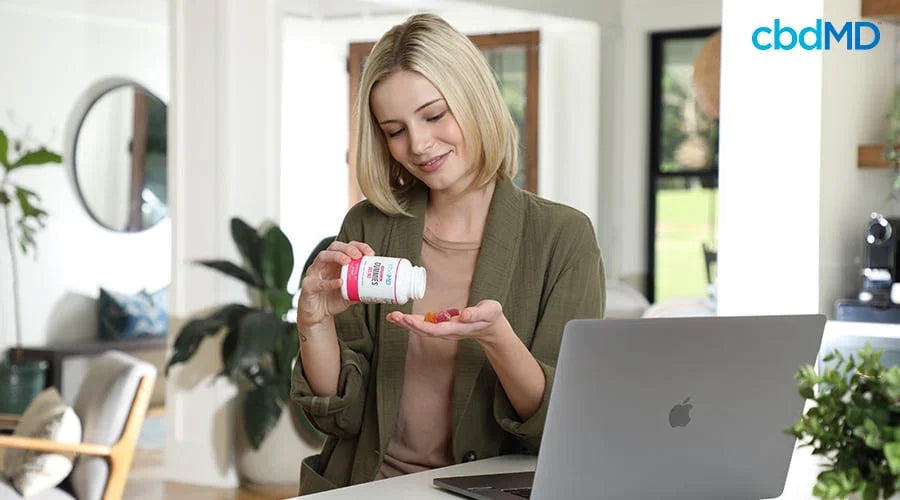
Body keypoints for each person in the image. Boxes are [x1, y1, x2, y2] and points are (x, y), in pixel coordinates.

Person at [290, 13, 605, 495]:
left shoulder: (562, 237)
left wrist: (497, 338)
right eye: (394, 130)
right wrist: (314, 321)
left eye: (434, 115)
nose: (417, 144)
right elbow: (340, 413)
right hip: (367, 487)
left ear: (475, 100)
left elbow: (560, 422)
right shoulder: (367, 226)